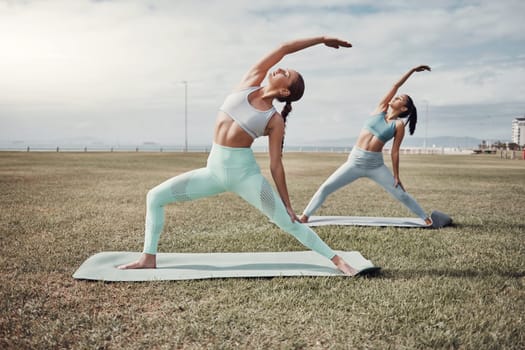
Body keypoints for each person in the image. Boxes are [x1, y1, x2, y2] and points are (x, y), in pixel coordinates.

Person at [119, 36, 360, 276]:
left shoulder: (274, 120)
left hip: (245, 176)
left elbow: (276, 165)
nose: (279, 69)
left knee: (288, 222)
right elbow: (283, 48)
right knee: (155, 196)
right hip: (213, 172)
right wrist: (321, 40)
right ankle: (148, 257)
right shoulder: (250, 81)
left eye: (285, 72)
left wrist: (287, 204)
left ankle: (338, 261)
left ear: (285, 90)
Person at [299, 65, 433, 225]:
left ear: (403, 108)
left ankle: (426, 219)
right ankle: (305, 216)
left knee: (401, 194)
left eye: (399, 99)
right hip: (354, 162)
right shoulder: (380, 108)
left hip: (375, 165)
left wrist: (396, 175)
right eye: (396, 96)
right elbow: (395, 86)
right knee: (326, 187)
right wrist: (412, 70)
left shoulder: (398, 125)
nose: (395, 97)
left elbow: (395, 152)